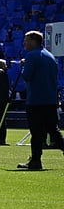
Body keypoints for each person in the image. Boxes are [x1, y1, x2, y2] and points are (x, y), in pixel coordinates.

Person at [18, 31, 64, 170]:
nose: (24, 43)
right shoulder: (50, 56)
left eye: (26, 40)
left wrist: (23, 66)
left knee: (36, 132)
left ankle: (36, 161)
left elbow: (26, 76)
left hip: (36, 100)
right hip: (50, 99)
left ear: (33, 41)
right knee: (53, 130)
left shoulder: (32, 56)